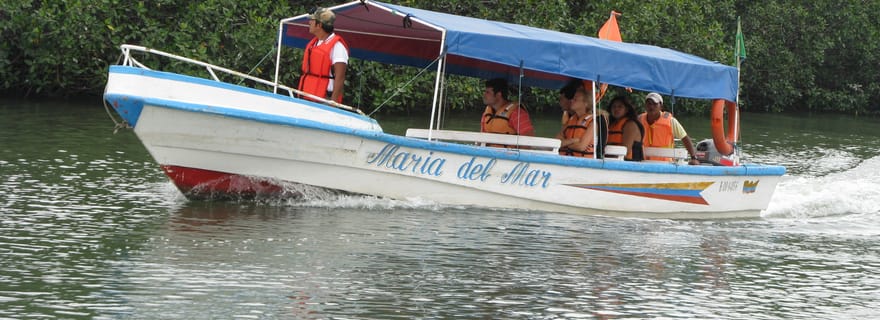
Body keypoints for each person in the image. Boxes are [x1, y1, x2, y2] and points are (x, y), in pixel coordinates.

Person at [298, 7, 349, 103]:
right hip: (307, 95)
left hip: (324, 99)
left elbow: (340, 77)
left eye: (312, 20)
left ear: (319, 25)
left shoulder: (338, 47)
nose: (309, 23)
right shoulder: (314, 43)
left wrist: (333, 103)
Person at [637, 92, 700, 164]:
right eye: (649, 103)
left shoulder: (671, 121)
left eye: (655, 104)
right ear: (645, 105)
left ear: (661, 106)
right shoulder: (639, 119)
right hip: (644, 161)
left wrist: (693, 157)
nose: (651, 106)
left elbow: (685, 138)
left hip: (666, 163)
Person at [556, 82, 608, 158]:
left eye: (575, 99)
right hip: (566, 160)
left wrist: (565, 143)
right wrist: (573, 141)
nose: (571, 101)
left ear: (586, 103)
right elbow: (557, 141)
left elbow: (581, 146)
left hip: (584, 163)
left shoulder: (593, 122)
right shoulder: (571, 120)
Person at [606, 96, 644, 161]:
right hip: (611, 160)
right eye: (614, 107)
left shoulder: (630, 124)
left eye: (620, 107)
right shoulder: (611, 124)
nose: (616, 109)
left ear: (626, 110)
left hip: (629, 163)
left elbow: (626, 150)